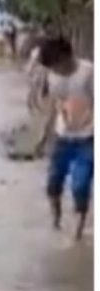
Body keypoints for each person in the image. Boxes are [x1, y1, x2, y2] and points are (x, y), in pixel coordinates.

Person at [35, 37, 93, 240]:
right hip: (62, 136)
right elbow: (53, 104)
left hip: (88, 138)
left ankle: (77, 233)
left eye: (55, 66)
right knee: (53, 183)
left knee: (81, 184)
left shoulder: (89, 72)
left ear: (66, 57)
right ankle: (56, 222)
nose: (54, 71)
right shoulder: (52, 76)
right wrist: (43, 135)